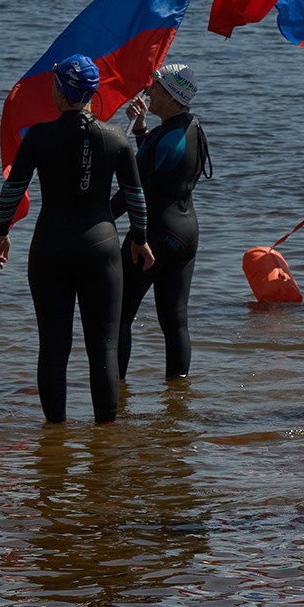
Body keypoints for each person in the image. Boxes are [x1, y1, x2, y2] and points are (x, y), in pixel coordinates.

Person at [0, 55, 152, 423]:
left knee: (53, 346)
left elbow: (12, 190)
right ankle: (105, 439)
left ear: (59, 91)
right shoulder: (115, 138)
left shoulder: (39, 137)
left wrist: (2, 232)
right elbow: (135, 196)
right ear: (93, 93)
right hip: (102, 249)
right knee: (104, 348)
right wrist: (140, 239)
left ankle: (55, 437)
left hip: (50, 248)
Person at [116, 64, 210, 383]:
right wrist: (141, 128)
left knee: (119, 315)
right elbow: (162, 168)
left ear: (171, 95)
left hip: (153, 236)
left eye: (154, 86)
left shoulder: (164, 137)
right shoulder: (191, 127)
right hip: (186, 235)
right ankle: (178, 396)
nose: (147, 91)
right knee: (175, 321)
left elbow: (133, 191)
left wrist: (92, 218)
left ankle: (115, 395)